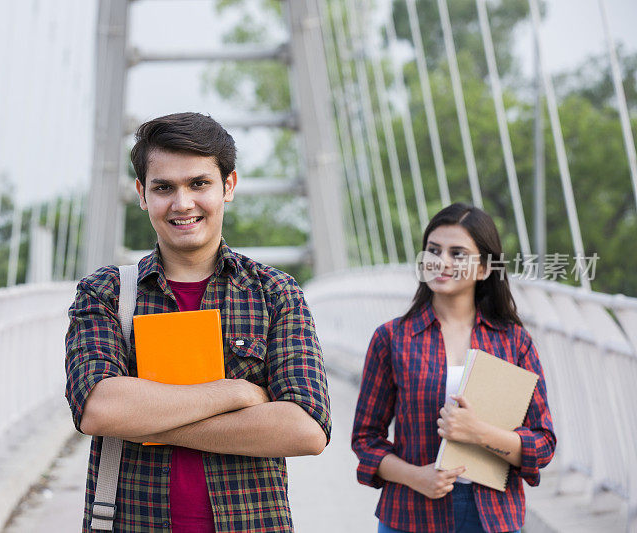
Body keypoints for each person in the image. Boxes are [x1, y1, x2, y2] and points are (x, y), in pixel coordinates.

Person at [65, 112, 331, 533]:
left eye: (199, 184)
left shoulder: (274, 293)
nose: (182, 203)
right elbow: (99, 409)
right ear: (141, 193)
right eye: (164, 187)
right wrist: (236, 392)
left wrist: (148, 421)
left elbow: (306, 429)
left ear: (229, 186)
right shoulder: (106, 294)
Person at [351, 203, 556, 533]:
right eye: (434, 250)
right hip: (410, 514)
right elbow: (366, 438)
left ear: (484, 269)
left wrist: (479, 433)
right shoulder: (391, 339)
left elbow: (543, 443)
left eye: (457, 253)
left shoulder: (514, 342)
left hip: (493, 518)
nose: (441, 262)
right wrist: (416, 477)